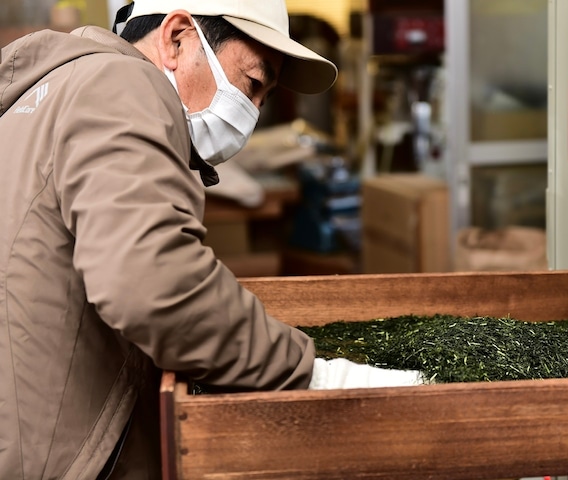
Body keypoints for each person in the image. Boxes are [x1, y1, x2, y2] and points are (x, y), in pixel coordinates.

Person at [0, 1, 423, 478]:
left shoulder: (50, 91)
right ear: (177, 38)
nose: (253, 112)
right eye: (253, 84)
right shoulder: (121, 85)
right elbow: (153, 284)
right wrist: (312, 374)